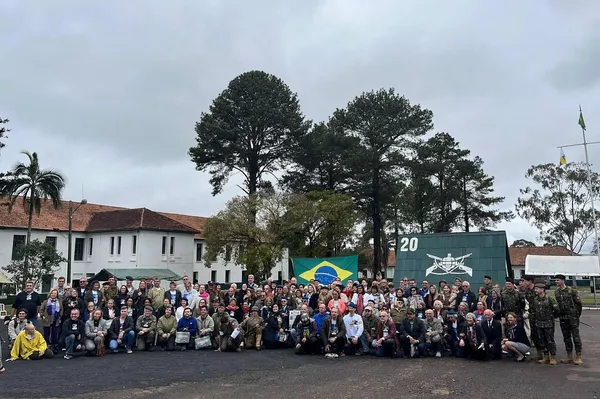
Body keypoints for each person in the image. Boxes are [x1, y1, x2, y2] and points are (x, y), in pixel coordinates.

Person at [554, 274, 583, 365]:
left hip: (572, 317)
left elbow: (579, 304)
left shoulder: (571, 291)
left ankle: (578, 356)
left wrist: (577, 315)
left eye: (558, 280)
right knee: (566, 337)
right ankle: (569, 356)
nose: (556, 282)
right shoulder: (557, 292)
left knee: (576, 337)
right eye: (556, 280)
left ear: (563, 281)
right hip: (563, 318)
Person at [533, 282, 559, 365]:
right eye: (535, 289)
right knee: (542, 340)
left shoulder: (549, 299)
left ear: (542, 289)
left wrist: (552, 317)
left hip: (548, 323)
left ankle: (553, 357)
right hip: (539, 323)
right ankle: (546, 356)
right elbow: (533, 310)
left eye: (537, 289)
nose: (535, 290)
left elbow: (557, 309)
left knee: (550, 340)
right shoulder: (535, 299)